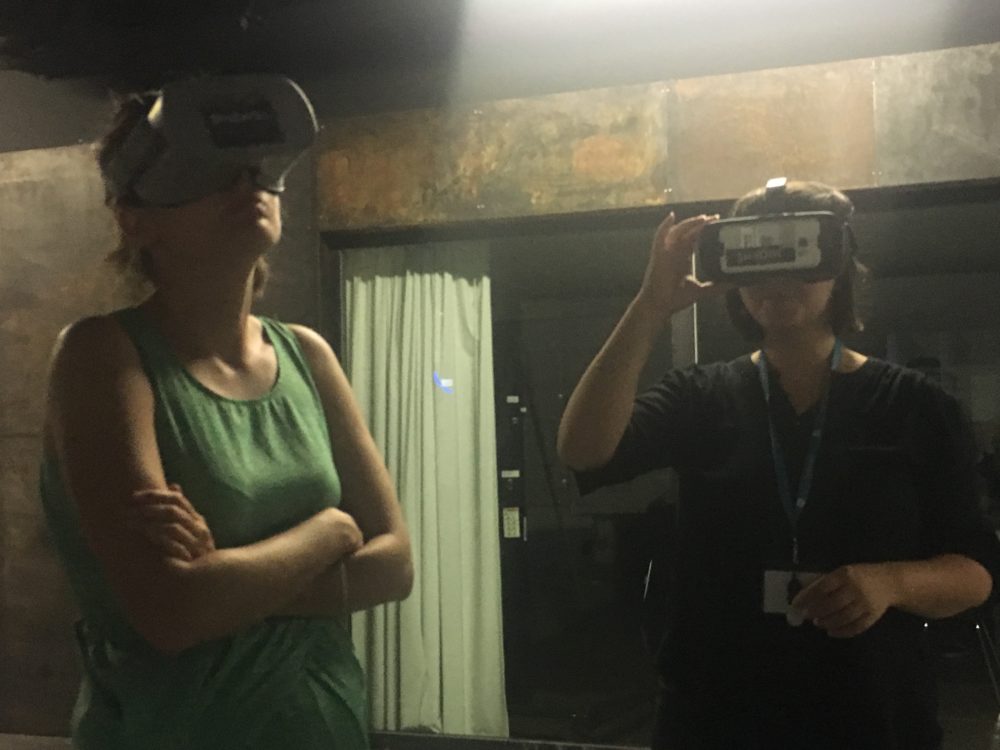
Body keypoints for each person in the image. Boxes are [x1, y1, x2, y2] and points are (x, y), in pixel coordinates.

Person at [557, 180, 1000, 749]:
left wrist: (890, 583)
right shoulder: (701, 397)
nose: (775, 284)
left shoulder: (917, 407)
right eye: (757, 266)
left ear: (838, 267)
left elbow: (975, 571)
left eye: (797, 260)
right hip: (714, 715)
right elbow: (584, 450)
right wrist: (649, 306)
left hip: (872, 716)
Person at [40, 89, 413, 749]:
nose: (246, 185)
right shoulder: (103, 356)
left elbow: (395, 565)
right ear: (136, 220)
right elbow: (172, 612)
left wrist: (229, 582)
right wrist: (328, 532)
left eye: (258, 170)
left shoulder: (307, 355)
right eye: (207, 175)